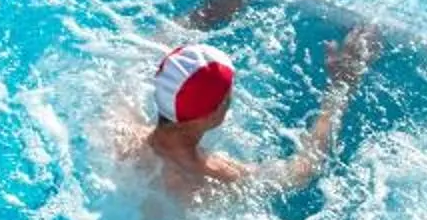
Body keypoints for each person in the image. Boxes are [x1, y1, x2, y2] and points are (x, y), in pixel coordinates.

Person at [117, 23, 380, 208]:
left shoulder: (117, 133)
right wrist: (343, 83)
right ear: (211, 116)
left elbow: (130, 63)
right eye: (228, 96)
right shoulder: (209, 179)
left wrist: (207, 12)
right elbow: (303, 170)